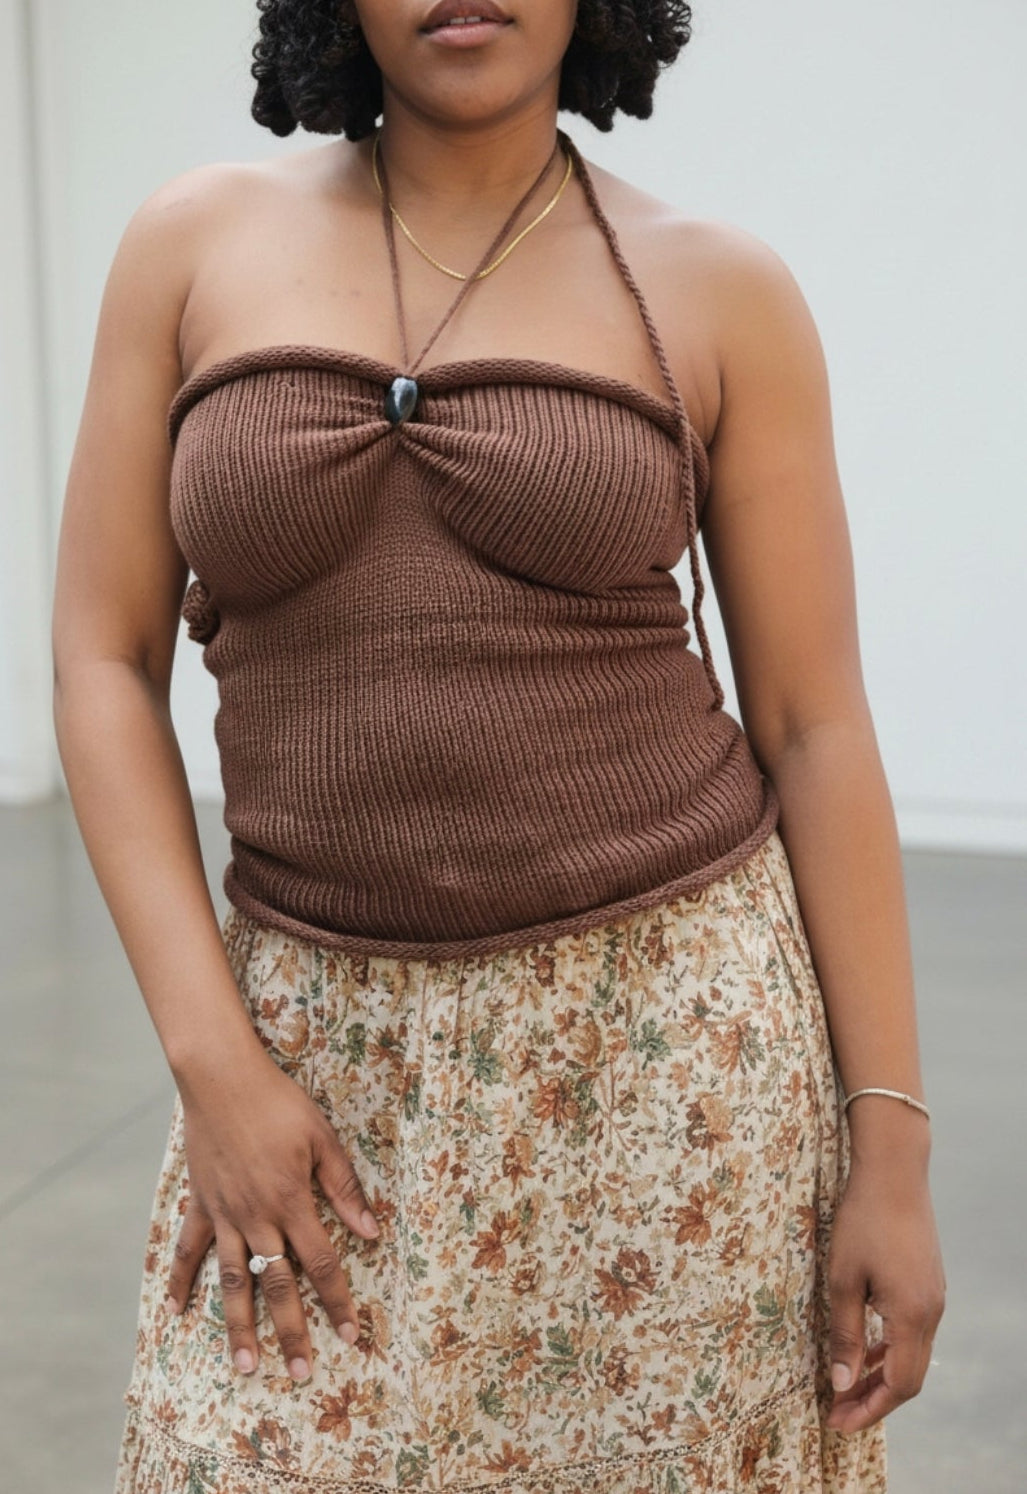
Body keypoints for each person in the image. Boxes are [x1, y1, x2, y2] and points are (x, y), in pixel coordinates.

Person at [51, 1, 945, 1489]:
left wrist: (892, 1156)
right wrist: (216, 1067)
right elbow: (102, 660)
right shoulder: (191, 247)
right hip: (309, 1057)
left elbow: (815, 727)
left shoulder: (717, 287)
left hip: (663, 1065)